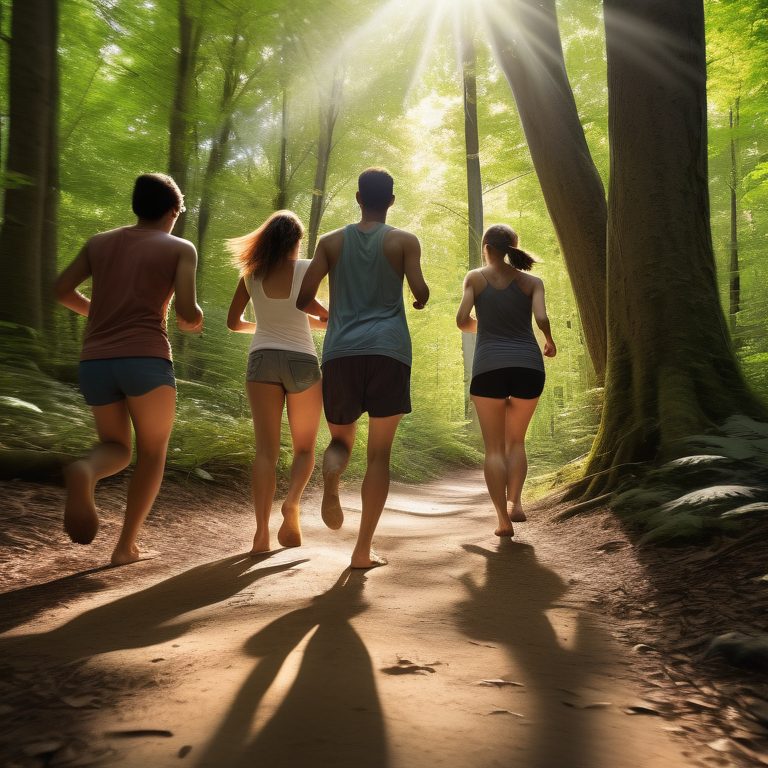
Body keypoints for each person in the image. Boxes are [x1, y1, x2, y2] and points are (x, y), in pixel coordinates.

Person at [54, 173, 203, 565]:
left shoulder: (98, 243)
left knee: (116, 447)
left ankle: (87, 470)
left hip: (95, 359)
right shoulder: (180, 248)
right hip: (146, 358)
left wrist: (101, 313)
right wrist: (195, 318)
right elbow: (187, 313)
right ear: (173, 211)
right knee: (152, 453)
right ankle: (125, 548)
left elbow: (60, 290)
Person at [297, 167, 429, 569]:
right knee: (379, 456)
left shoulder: (330, 241)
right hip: (389, 351)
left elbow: (303, 298)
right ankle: (361, 551)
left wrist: (333, 315)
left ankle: (333, 474)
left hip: (340, 352)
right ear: (391, 200)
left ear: (357, 198)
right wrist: (418, 299)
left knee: (341, 442)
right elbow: (420, 291)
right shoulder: (405, 240)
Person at [226, 211, 328, 554]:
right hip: (302, 361)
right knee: (304, 448)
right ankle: (292, 503)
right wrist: (302, 324)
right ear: (296, 242)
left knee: (265, 452)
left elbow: (234, 323)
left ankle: (260, 536)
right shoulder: (306, 268)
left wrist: (266, 330)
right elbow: (325, 318)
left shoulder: (250, 275)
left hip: (261, 360)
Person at [456, 224, 556, 538]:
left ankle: (503, 520)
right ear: (514, 246)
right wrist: (549, 340)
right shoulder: (531, 281)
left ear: (486, 247)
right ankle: (517, 503)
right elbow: (540, 317)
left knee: (494, 450)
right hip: (528, 366)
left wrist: (486, 329)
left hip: (488, 368)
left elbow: (462, 321)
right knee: (517, 442)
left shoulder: (474, 277)